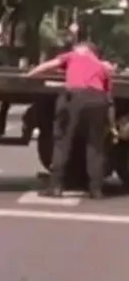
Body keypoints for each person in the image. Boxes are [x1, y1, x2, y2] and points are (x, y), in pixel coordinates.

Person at [25, 42, 114, 199]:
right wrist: (111, 124)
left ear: (80, 49)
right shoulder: (101, 66)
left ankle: (56, 187)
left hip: (75, 98)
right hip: (98, 101)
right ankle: (96, 190)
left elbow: (48, 66)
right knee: (95, 146)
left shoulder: (72, 56)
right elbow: (108, 96)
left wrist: (28, 75)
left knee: (62, 142)